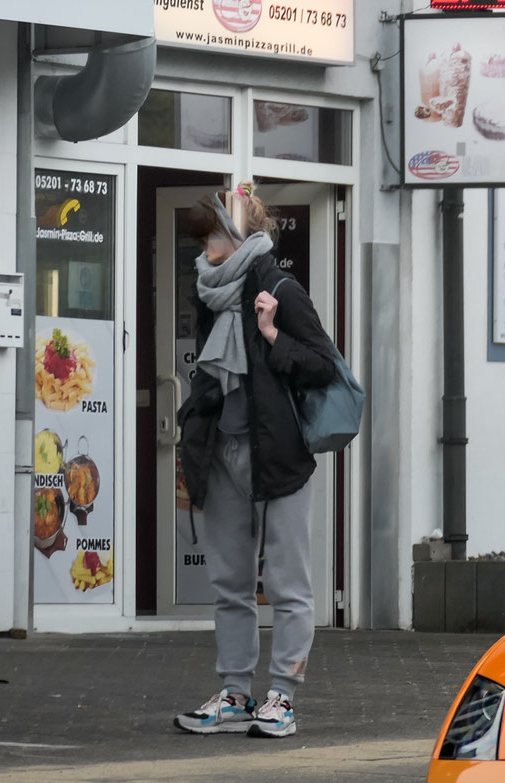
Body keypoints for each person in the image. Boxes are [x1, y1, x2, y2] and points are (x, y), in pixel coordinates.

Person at [174, 184, 337, 738]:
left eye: (214, 233)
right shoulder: (209, 289)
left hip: (278, 457)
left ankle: (282, 696)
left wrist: (271, 335)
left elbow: (322, 364)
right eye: (203, 236)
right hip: (222, 453)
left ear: (239, 234)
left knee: (288, 584)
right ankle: (236, 694)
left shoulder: (279, 287)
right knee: (230, 583)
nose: (206, 245)